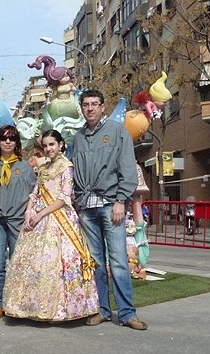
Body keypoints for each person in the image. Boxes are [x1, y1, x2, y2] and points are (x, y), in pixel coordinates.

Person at [3, 129, 99, 321]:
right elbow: (35, 192)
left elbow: (63, 197)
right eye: (45, 145)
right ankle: (33, 306)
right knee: (34, 263)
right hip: (38, 218)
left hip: (59, 219)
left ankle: (63, 309)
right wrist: (29, 212)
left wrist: (40, 214)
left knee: (58, 261)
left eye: (52, 144)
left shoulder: (66, 166)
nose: (48, 149)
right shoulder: (43, 167)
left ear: (61, 145)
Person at [72, 89, 148, 330]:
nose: (90, 108)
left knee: (118, 262)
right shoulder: (78, 137)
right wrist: (77, 199)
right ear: (82, 108)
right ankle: (102, 310)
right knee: (95, 263)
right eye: (86, 104)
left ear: (103, 107)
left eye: (95, 104)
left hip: (110, 206)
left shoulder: (117, 132)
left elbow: (127, 168)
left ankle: (127, 313)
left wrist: (120, 201)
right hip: (87, 209)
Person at [0, 125, 36, 319]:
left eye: (12, 138)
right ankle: (0, 304)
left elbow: (34, 193)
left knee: (18, 264)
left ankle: (18, 303)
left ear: (17, 142)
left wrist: (30, 216)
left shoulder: (25, 167)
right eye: (4, 138)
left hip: (17, 221)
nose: (7, 141)